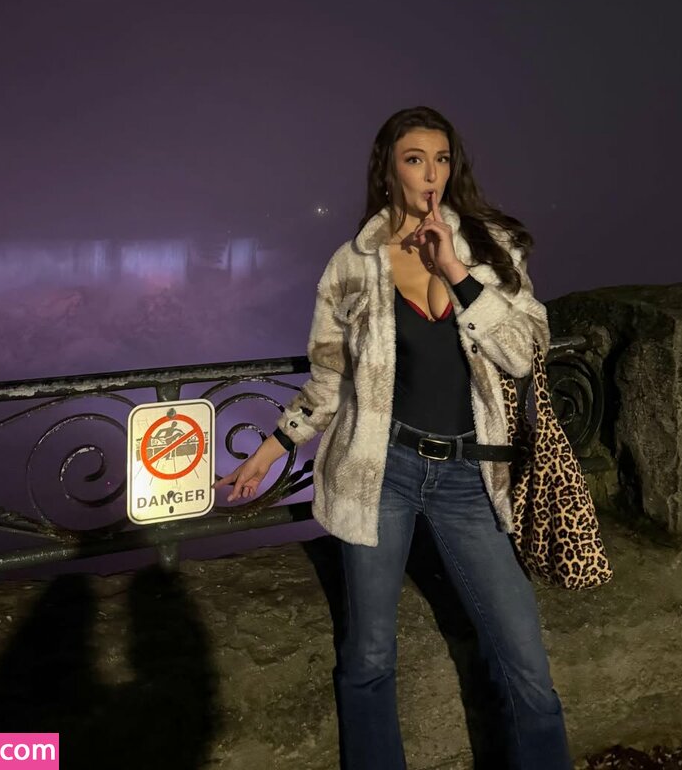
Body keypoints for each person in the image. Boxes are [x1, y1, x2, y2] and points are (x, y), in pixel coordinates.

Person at [216, 106, 572, 770]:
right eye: (415, 159)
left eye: (441, 159)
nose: (430, 173)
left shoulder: (491, 247)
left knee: (526, 662)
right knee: (370, 655)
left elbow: (527, 353)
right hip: (381, 472)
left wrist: (457, 273)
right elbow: (329, 378)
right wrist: (272, 449)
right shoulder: (351, 264)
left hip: (471, 478)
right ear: (389, 170)